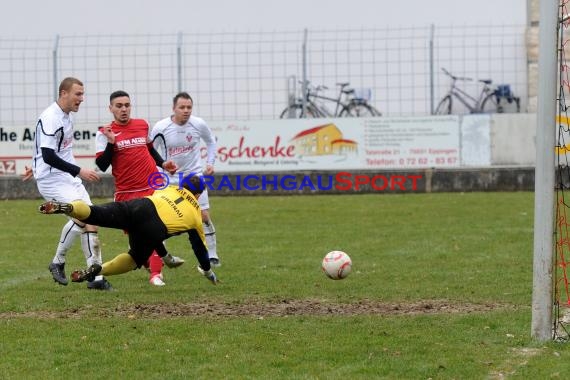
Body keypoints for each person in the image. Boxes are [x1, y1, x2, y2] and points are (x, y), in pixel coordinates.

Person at [37, 175, 219, 286]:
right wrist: (208, 272)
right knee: (134, 259)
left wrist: (165, 257)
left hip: (141, 205)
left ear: (182, 185)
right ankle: (96, 271)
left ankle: (68, 206)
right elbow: (200, 251)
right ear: (198, 195)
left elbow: (155, 213)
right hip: (155, 229)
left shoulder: (168, 188)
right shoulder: (196, 216)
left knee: (94, 213)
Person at [95, 90, 183, 286]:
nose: (124, 109)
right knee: (138, 241)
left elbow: (149, 149)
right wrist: (111, 143)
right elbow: (102, 165)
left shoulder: (142, 125)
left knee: (154, 229)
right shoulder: (104, 132)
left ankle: (156, 274)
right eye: (119, 106)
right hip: (127, 192)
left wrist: (163, 164)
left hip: (152, 186)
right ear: (111, 109)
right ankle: (159, 260)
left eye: (127, 105)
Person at [32, 77, 112, 290]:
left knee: (91, 220)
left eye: (82, 94)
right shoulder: (51, 117)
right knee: (83, 217)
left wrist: (74, 173)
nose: (81, 99)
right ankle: (58, 262)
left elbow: (54, 151)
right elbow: (48, 156)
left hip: (67, 178)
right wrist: (80, 171)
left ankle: (96, 278)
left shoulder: (66, 117)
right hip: (51, 180)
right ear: (63, 93)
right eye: (78, 94)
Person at [151, 92, 221, 267]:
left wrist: (210, 163)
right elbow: (151, 151)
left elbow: (211, 142)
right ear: (174, 108)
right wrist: (159, 169)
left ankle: (212, 254)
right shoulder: (161, 127)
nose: (186, 110)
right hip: (169, 179)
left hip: (193, 178)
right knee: (161, 218)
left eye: (189, 107)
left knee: (203, 216)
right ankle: (161, 254)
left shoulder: (198, 124)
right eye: (182, 107)